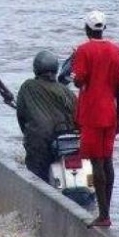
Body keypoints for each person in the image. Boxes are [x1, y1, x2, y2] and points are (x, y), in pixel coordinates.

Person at [72, 10, 119, 228]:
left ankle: (103, 215)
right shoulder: (116, 50)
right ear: (104, 29)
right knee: (108, 160)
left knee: (97, 163)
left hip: (92, 111)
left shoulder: (83, 50)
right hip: (110, 111)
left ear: (86, 29)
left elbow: (78, 80)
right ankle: (107, 211)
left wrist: (75, 66)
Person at [16, 50, 77, 182]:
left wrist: (27, 133)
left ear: (36, 69)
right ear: (55, 69)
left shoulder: (28, 86)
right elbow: (76, 115)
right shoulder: (66, 91)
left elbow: (21, 115)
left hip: (38, 141)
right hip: (66, 142)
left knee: (37, 179)